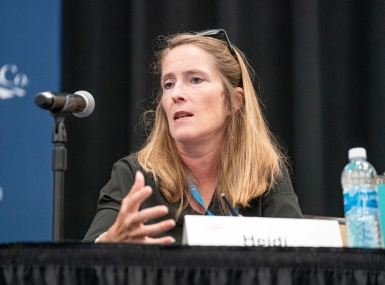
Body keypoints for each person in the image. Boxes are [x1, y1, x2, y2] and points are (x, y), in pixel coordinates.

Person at [83, 29, 302, 244]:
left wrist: (261, 244)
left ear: (234, 101)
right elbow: (82, 264)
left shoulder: (264, 172)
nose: (176, 94)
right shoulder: (134, 175)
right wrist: (108, 243)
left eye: (195, 79)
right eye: (168, 84)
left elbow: (302, 261)